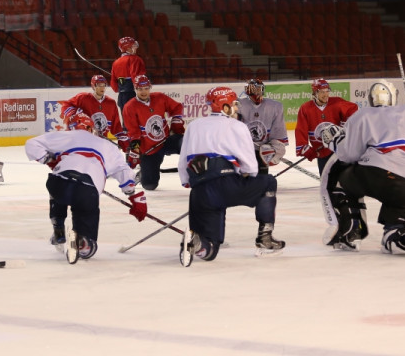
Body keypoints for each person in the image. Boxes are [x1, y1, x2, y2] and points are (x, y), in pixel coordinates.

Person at [320, 80, 405, 257]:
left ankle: (351, 232)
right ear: (394, 97)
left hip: (375, 175)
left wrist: (333, 142)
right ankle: (396, 235)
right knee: (399, 210)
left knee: (338, 176)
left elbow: (349, 154)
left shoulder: (363, 115)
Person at [177, 86, 284, 265]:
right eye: (234, 104)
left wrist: (188, 183)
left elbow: (183, 161)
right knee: (268, 183)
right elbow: (251, 167)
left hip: (199, 191)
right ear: (224, 106)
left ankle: (197, 243)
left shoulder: (194, 125)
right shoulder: (237, 126)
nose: (236, 108)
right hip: (225, 184)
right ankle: (265, 237)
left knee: (210, 250)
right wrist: (245, 175)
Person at [25, 113, 146, 263]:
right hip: (87, 189)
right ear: (91, 128)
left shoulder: (67, 135)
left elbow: (31, 144)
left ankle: (58, 225)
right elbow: (124, 173)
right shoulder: (107, 146)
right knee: (85, 211)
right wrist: (133, 195)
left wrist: (48, 159)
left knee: (57, 192)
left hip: (60, 182)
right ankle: (83, 241)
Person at [122, 74, 184, 190]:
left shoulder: (160, 97)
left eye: (146, 88)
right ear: (135, 89)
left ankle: (199, 170)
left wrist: (176, 123)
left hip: (166, 140)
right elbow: (133, 131)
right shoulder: (129, 107)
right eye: (140, 89)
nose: (143, 92)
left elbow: (177, 107)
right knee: (149, 185)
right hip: (150, 149)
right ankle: (143, 173)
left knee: (187, 143)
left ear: (150, 87)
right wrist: (135, 150)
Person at [295, 78, 358, 175]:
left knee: (343, 178)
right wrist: (305, 148)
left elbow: (353, 109)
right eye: (322, 92)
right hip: (321, 151)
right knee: (325, 182)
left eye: (327, 91)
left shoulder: (337, 103)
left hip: (338, 148)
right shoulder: (306, 108)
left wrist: (344, 126)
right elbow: (301, 130)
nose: (326, 95)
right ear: (315, 93)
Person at [60, 74, 129, 150]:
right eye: (99, 85)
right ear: (93, 86)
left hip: (101, 144)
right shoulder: (83, 97)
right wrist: (73, 114)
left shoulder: (111, 103)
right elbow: (66, 104)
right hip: (83, 142)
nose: (102, 87)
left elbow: (116, 127)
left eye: (104, 85)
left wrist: (124, 142)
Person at [236, 78, 287, 174]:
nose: (258, 92)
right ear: (248, 90)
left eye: (259, 89)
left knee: (262, 178)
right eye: (255, 89)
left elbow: (278, 132)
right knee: (245, 177)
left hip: (263, 150)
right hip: (244, 150)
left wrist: (276, 148)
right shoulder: (239, 105)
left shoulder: (274, 106)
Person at [110, 36, 145, 116]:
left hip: (121, 96)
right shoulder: (135, 59)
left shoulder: (116, 62)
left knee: (125, 119)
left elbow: (113, 83)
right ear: (128, 48)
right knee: (135, 118)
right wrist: (140, 89)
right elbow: (135, 76)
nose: (135, 48)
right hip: (132, 93)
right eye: (133, 46)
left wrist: (120, 86)